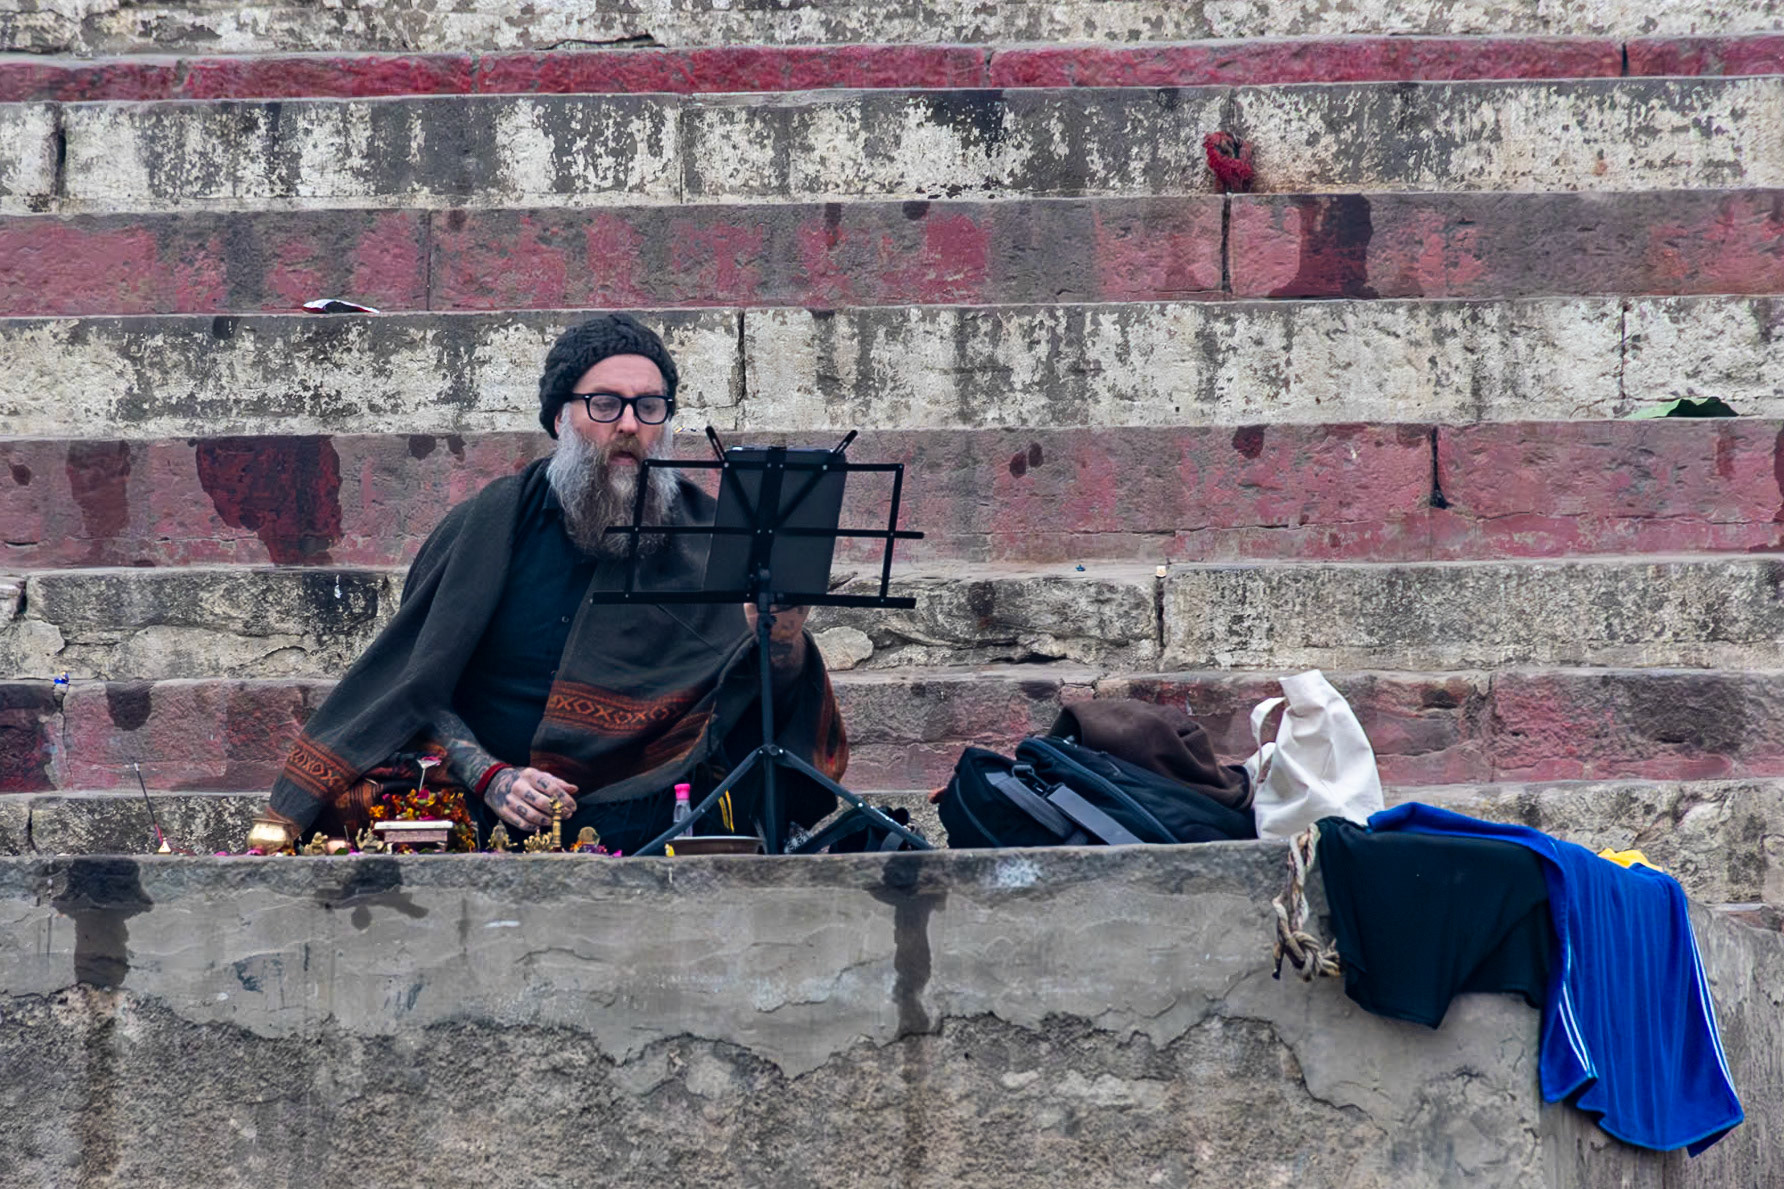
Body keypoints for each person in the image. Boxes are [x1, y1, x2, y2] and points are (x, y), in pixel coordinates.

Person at [253, 314, 846, 852]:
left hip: (654, 812)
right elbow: (414, 687)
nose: (630, 426)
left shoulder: (713, 536)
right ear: (561, 416)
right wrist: (491, 776)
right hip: (493, 810)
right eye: (606, 405)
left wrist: (783, 640)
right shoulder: (487, 526)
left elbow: (765, 702)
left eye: (650, 407)